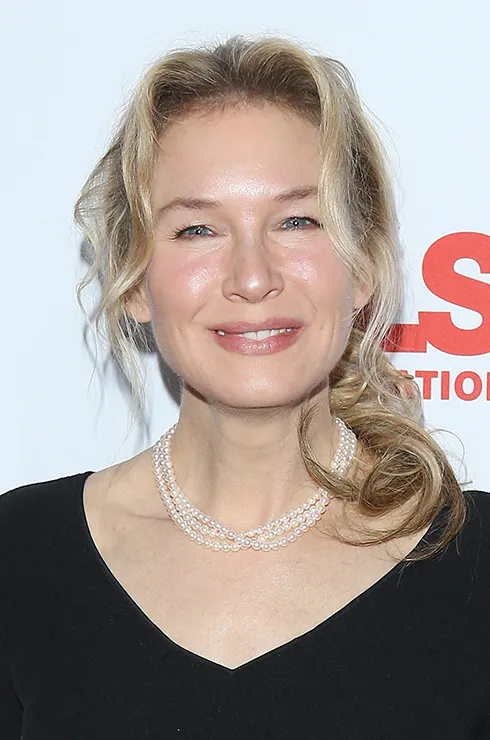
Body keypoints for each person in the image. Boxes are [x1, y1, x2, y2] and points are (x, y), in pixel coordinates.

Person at [0, 35, 488, 739]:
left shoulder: (475, 568)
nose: (253, 278)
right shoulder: (22, 558)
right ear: (134, 283)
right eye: (198, 229)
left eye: (297, 221)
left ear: (363, 268)